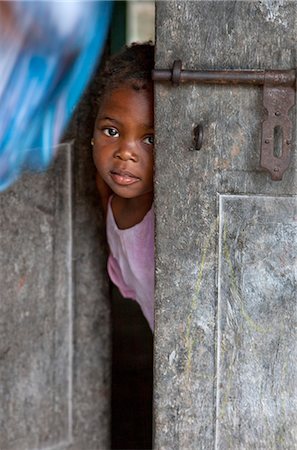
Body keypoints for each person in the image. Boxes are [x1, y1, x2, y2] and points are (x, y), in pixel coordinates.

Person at [92, 43, 155, 331]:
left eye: (150, 139)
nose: (125, 153)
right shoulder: (106, 193)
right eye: (112, 132)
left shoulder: (164, 219)